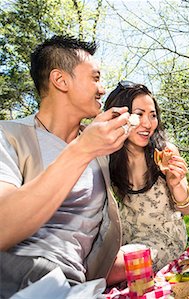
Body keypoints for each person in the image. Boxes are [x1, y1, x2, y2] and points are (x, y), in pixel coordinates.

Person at [0, 35, 132, 297]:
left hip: (77, 285)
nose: (102, 89)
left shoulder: (100, 149)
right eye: (95, 78)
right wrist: (82, 151)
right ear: (61, 80)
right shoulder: (9, 136)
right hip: (19, 279)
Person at [103, 81, 189, 273]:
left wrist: (175, 184)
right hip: (126, 241)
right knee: (92, 265)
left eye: (153, 115)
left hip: (163, 240)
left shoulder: (164, 152)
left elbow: (187, 209)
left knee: (109, 270)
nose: (148, 123)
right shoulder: (108, 158)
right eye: (139, 114)